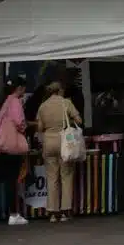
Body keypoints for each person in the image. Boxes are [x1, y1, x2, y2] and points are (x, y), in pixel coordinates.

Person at [0, 77, 30, 227]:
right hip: (10, 148)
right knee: (10, 181)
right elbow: (20, 123)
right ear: (20, 88)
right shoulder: (15, 101)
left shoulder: (3, 101)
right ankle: (13, 214)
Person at [36, 82, 83, 223]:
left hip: (49, 143)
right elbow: (79, 120)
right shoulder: (66, 103)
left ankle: (52, 212)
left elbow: (39, 127)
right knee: (66, 176)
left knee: (51, 178)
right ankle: (65, 211)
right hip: (65, 143)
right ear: (60, 90)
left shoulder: (43, 106)